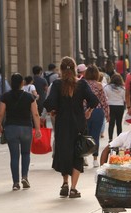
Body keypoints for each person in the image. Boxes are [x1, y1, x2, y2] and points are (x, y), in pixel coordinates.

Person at [43, 56, 99, 198]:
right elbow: (94, 100)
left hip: (62, 124)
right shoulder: (82, 84)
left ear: (61, 69)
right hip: (78, 123)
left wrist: (53, 111)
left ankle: (65, 183)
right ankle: (74, 188)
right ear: (75, 69)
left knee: (64, 152)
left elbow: (48, 103)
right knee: (77, 154)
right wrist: (88, 111)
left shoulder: (56, 84)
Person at [0, 73, 42, 190]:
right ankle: (25, 177)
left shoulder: (5, 96)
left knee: (14, 156)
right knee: (26, 154)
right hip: (26, 128)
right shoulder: (29, 97)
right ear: (22, 83)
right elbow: (35, 114)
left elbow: (1, 113)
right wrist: (37, 129)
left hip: (11, 128)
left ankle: (15, 182)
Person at [84, 65, 110, 168]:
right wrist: (107, 114)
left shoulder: (82, 84)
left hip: (85, 111)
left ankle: (83, 157)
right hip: (98, 111)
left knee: (84, 134)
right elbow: (104, 101)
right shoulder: (99, 85)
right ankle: (95, 159)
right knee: (96, 136)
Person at [104, 73, 125, 142]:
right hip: (120, 106)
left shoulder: (107, 87)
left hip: (111, 106)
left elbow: (105, 97)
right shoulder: (123, 89)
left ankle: (110, 139)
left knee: (111, 123)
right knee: (119, 124)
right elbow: (124, 98)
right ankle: (119, 138)